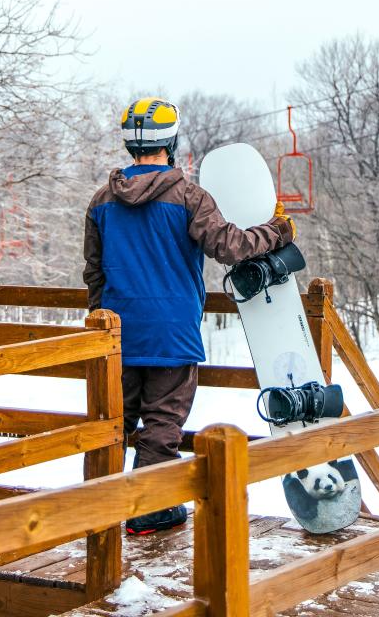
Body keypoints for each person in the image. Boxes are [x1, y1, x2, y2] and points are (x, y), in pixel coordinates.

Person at [83, 97, 295, 535]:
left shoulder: (102, 202)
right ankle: (151, 511)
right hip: (173, 335)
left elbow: (95, 272)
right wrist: (277, 231)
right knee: (162, 422)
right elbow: (230, 247)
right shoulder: (189, 197)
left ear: (130, 145)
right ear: (171, 141)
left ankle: (95, 510)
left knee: (111, 424)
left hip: (117, 336)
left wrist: (102, 325)